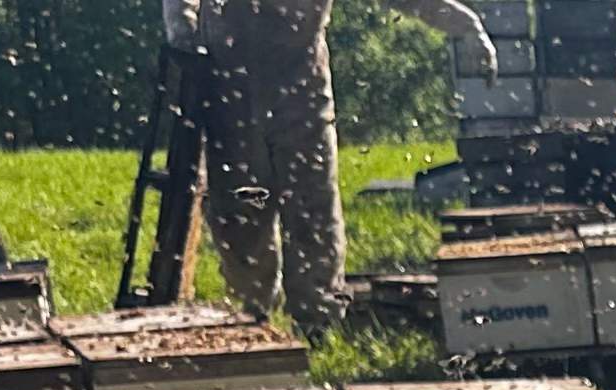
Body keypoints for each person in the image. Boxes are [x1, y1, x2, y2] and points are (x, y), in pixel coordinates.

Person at [184, 0, 497, 329]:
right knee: (241, 216)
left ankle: (318, 323)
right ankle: (252, 324)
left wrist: (465, 24)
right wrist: (183, 28)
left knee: (312, 217)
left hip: (301, 99)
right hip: (230, 101)